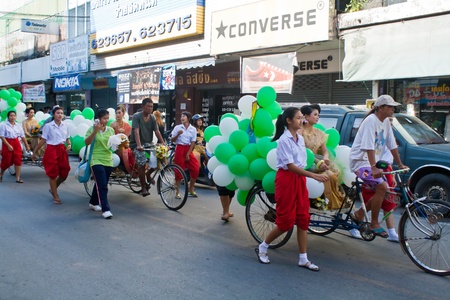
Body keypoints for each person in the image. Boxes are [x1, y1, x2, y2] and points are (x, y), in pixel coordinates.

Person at [255, 107, 329, 270]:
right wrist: (314, 176)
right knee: (285, 223)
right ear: (288, 121)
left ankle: (303, 258)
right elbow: (290, 166)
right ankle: (263, 247)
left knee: (303, 219)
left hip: (299, 180)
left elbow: (302, 164)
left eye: (302, 118)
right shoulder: (284, 140)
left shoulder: (299, 138)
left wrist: (318, 168)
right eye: (298, 118)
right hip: (287, 180)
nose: (302, 120)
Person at [349, 95, 408, 237]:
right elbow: (368, 146)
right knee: (382, 187)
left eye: (394, 107)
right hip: (360, 162)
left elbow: (391, 144)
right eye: (390, 107)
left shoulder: (386, 121)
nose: (393, 109)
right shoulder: (371, 121)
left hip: (372, 163)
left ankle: (359, 214)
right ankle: (374, 223)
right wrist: (374, 167)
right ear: (380, 107)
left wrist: (399, 163)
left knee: (384, 190)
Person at [300, 104, 345, 209]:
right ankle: (325, 203)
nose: (317, 117)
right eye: (315, 114)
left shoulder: (319, 133)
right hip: (305, 162)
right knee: (328, 175)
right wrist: (318, 163)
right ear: (306, 117)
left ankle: (331, 201)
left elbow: (325, 151)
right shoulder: (300, 131)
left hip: (318, 161)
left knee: (334, 172)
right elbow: (304, 152)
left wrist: (325, 158)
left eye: (318, 115)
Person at [32, 106, 71, 204]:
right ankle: (55, 195)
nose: (60, 115)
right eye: (58, 113)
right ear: (53, 114)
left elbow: (67, 138)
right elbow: (43, 140)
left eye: (61, 113)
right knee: (52, 174)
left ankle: (53, 188)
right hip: (51, 149)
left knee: (64, 173)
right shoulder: (48, 126)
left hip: (62, 149)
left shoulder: (65, 125)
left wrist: (69, 145)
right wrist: (35, 152)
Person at [129, 98, 165, 197]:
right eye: (148, 106)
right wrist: (139, 145)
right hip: (136, 144)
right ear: (143, 106)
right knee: (142, 162)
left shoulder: (153, 117)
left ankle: (148, 174)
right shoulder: (137, 116)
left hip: (149, 144)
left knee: (159, 159)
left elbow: (157, 131)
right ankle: (143, 187)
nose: (150, 108)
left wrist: (163, 143)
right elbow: (136, 131)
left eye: (151, 106)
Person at [85, 109, 115, 219]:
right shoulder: (92, 129)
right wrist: (95, 131)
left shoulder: (111, 130)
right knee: (102, 185)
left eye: (107, 118)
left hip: (108, 159)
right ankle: (105, 209)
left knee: (101, 183)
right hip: (96, 159)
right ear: (98, 119)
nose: (106, 120)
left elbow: (112, 146)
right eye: (104, 118)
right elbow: (87, 142)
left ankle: (93, 202)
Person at [171, 111, 200, 198]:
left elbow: (193, 142)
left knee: (195, 168)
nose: (182, 118)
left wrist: (188, 153)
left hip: (188, 149)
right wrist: (178, 134)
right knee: (178, 170)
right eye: (181, 116)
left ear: (188, 118)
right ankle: (178, 191)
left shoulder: (193, 129)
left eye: (184, 116)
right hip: (179, 148)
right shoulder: (177, 127)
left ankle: (191, 188)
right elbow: (172, 139)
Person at [0, 110, 31, 183]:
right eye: (11, 116)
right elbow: (2, 136)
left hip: (16, 142)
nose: (12, 117)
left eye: (14, 115)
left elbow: (22, 136)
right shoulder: (3, 125)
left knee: (18, 160)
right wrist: (8, 145)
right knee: (6, 161)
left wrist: (27, 145)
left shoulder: (18, 125)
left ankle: (17, 178)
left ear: (16, 116)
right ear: (8, 117)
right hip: (7, 142)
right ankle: (1, 173)